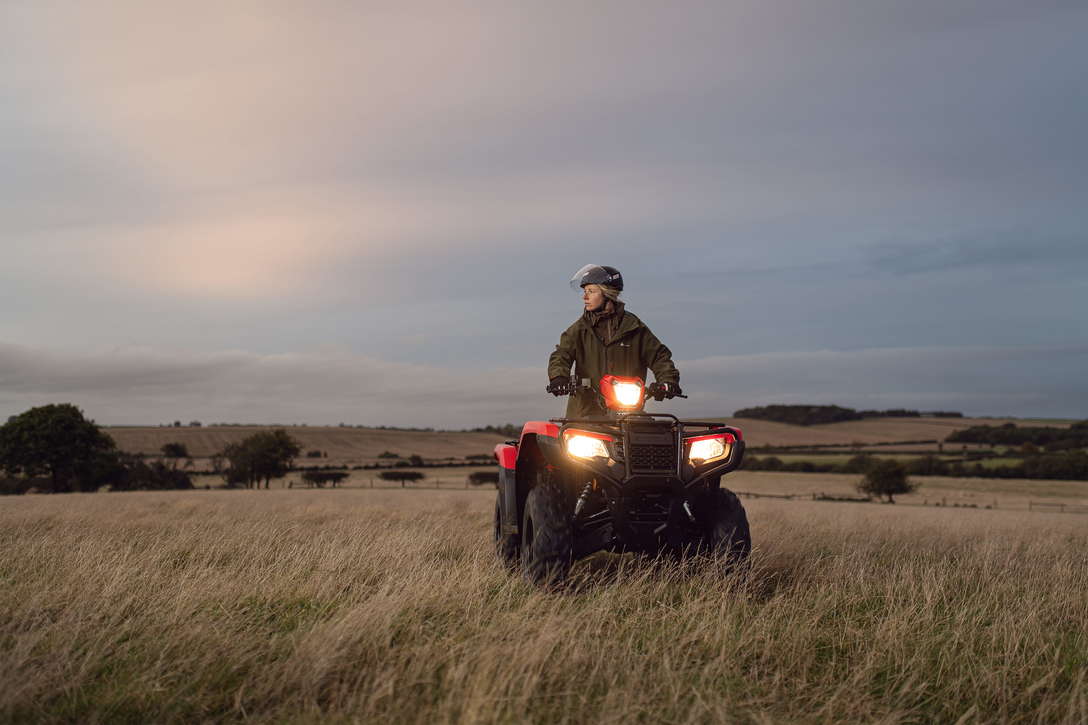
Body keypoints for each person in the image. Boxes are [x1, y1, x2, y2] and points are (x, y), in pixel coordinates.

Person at [547, 264, 682, 418]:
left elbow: (659, 357)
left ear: (608, 294)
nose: (585, 297)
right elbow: (561, 355)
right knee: (570, 439)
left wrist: (667, 381)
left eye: (591, 291)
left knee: (654, 435)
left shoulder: (635, 327)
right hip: (585, 412)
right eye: (585, 292)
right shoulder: (578, 330)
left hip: (629, 412)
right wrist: (559, 378)